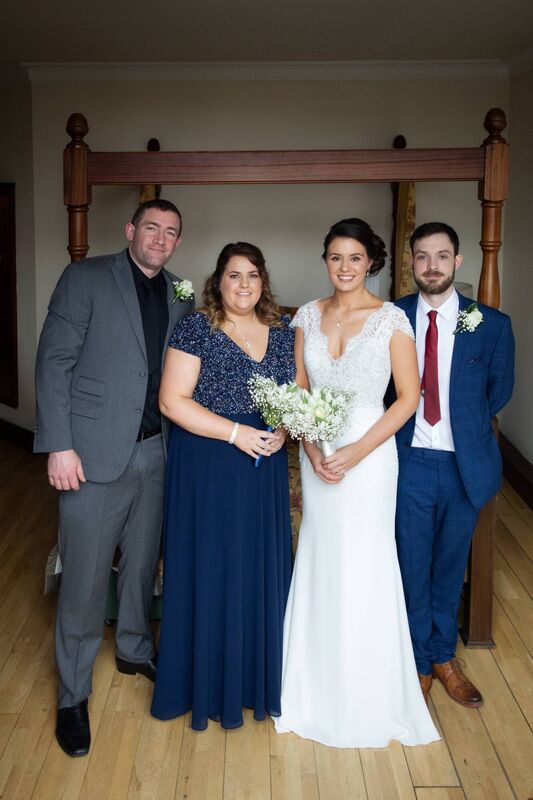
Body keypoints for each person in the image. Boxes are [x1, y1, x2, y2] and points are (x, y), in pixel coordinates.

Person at [34, 198, 192, 757]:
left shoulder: (182, 293)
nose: (160, 238)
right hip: (91, 453)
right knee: (83, 577)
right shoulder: (85, 278)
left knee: (143, 563)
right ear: (131, 230)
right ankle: (72, 695)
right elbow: (53, 361)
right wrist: (58, 444)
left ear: (177, 241)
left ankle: (132, 647)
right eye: (151, 227)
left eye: (171, 232)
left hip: (156, 452)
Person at [274, 218, 439, 749]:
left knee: (365, 560)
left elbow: (408, 399)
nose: (344, 267)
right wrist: (315, 450)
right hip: (318, 455)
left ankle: (368, 690)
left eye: (355, 258)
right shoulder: (305, 315)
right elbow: (298, 390)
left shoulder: (391, 319)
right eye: (335, 257)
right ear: (325, 261)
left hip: (370, 457)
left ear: (372, 261)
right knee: (322, 556)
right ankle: (312, 685)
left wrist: (353, 452)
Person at [151, 241, 295, 730]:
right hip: (211, 463)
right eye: (234, 275)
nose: (244, 284)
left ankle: (256, 680)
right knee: (212, 565)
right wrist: (235, 433)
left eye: (253, 275)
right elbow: (172, 401)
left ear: (263, 282)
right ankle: (206, 682)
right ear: (218, 281)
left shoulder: (282, 332)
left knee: (257, 568)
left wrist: (282, 429)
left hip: (264, 468)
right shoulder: (197, 328)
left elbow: (296, 398)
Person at [392, 221, 514, 707]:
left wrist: (462, 428)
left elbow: (498, 392)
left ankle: (444, 657)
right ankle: (417, 662)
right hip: (409, 462)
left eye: (442, 256)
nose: (432, 266)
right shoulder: (393, 316)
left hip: (465, 464)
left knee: (448, 562)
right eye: (422, 257)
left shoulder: (492, 324)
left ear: (457, 261)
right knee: (411, 562)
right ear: (412, 263)